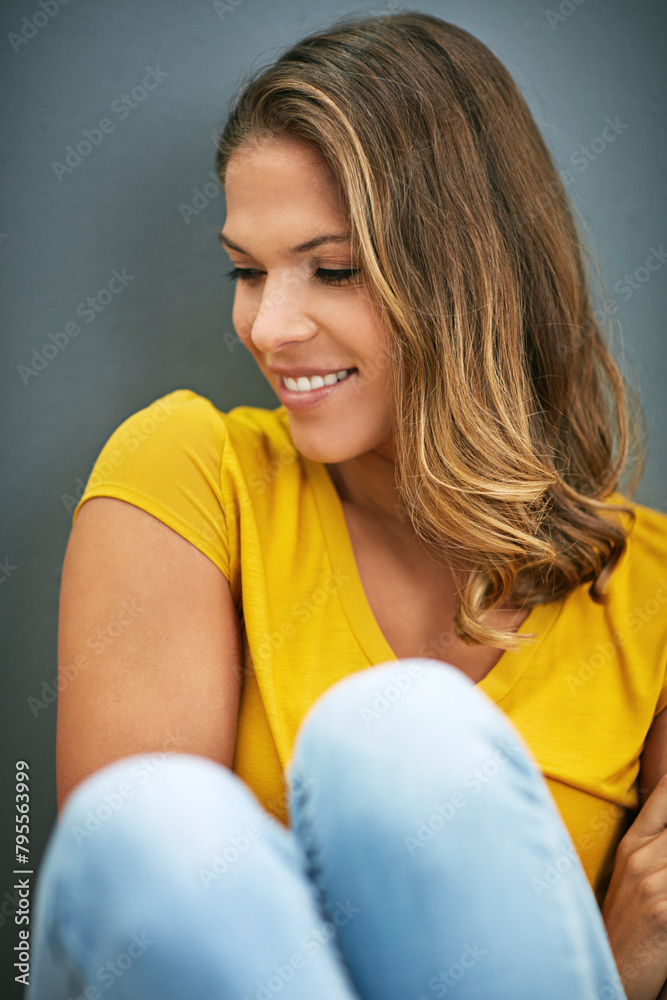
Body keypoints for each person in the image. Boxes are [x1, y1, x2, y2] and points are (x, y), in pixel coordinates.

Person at [27, 11, 667, 1000]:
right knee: (154, 820)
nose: (268, 326)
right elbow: (135, 909)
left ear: (472, 277)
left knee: (402, 738)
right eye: (246, 271)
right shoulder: (189, 471)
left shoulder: (651, 593)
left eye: (332, 269)